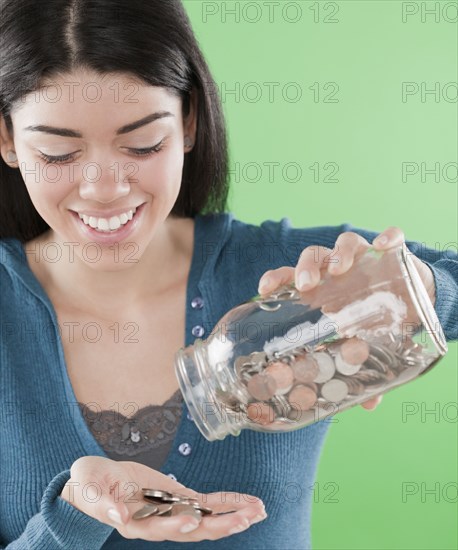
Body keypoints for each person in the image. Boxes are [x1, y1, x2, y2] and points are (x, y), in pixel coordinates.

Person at [0, 1, 456, 548]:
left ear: (189, 122)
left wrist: (418, 292)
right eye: (58, 153)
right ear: (7, 139)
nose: (104, 187)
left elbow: (441, 284)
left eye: (143, 144)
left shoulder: (283, 273)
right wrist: (73, 515)